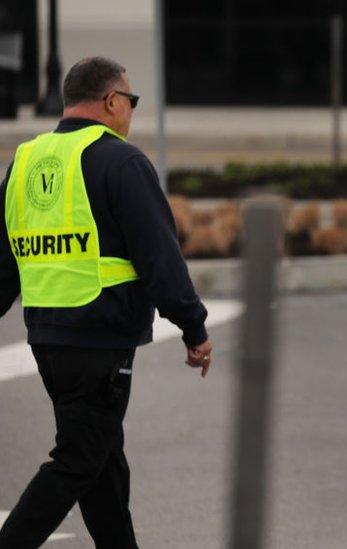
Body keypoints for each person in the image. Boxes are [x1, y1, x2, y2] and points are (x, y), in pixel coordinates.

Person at [0, 57, 212, 549]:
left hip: (49, 340)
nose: (131, 112)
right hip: (100, 341)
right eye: (131, 101)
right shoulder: (122, 160)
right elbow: (160, 255)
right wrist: (194, 328)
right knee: (77, 460)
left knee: (102, 462)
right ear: (112, 100)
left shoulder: (25, 162)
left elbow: (4, 258)